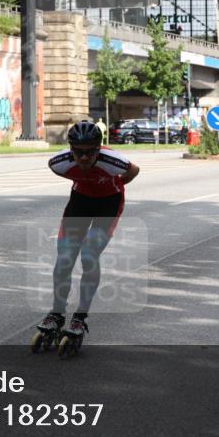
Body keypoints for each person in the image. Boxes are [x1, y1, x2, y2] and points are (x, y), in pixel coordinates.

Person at [37, 121, 140, 345]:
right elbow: (72, 173)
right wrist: (86, 181)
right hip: (81, 202)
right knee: (64, 258)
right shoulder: (58, 163)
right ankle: (56, 314)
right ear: (71, 149)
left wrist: (114, 184)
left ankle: (80, 317)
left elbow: (134, 171)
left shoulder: (113, 161)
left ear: (98, 149)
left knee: (89, 255)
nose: (84, 158)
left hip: (109, 203)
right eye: (78, 152)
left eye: (90, 152)